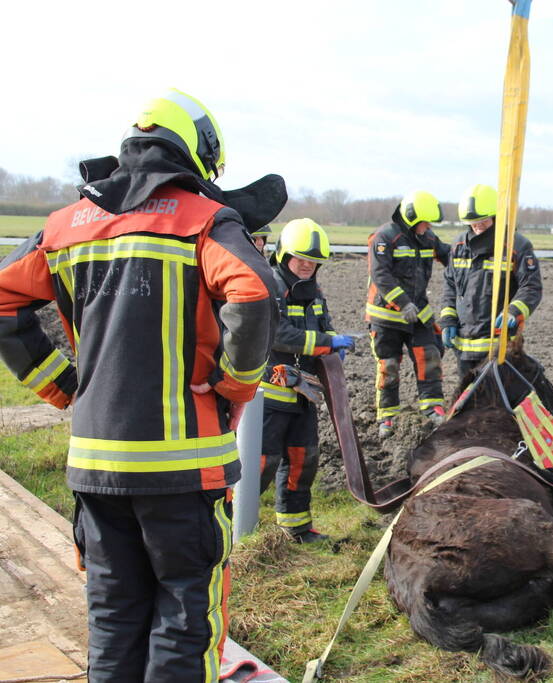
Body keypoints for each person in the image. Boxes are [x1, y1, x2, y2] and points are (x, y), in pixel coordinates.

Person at [0, 89, 281, 680]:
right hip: (182, 470)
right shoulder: (202, 220)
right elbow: (253, 292)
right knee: (185, 623)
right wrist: (233, 386)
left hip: (96, 465)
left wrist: (65, 387)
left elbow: (3, 298)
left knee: (113, 618)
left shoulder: (66, 224)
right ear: (198, 153)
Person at [259, 218, 353, 543]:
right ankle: (231, 528)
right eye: (301, 259)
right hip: (270, 393)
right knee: (263, 463)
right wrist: (327, 343)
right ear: (284, 256)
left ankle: (296, 529)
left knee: (304, 459)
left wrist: (333, 343)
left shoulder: (315, 293)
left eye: (313, 262)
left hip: (303, 394)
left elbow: (324, 327)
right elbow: (279, 335)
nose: (307, 266)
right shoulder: (270, 286)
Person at [365, 190, 450, 437]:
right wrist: (403, 303)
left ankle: (433, 407)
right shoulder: (384, 237)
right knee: (388, 366)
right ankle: (387, 417)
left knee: (430, 356)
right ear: (412, 218)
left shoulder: (427, 237)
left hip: (419, 315)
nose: (428, 227)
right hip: (386, 317)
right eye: (425, 222)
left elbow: (449, 255)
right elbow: (381, 275)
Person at [440, 183, 543, 381]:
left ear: (496, 216)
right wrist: (447, 320)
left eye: (482, 220)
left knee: (498, 400)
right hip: (463, 344)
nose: (477, 226)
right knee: (469, 400)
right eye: (472, 222)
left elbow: (531, 287)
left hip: (499, 343)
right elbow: (450, 286)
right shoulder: (459, 246)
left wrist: (513, 311)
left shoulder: (515, 246)